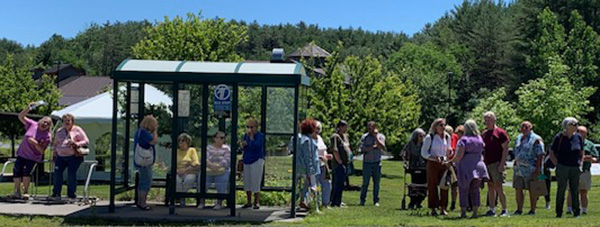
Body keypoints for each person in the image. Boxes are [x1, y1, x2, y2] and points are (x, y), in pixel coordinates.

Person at [445, 119, 489, 218]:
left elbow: (459, 156)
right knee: (475, 190)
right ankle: (475, 212)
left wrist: (450, 161)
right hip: (479, 165)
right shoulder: (479, 138)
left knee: (463, 190)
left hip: (466, 167)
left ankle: (463, 212)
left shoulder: (463, 140)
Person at [10, 103, 53, 199]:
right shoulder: (32, 124)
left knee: (26, 171)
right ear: (40, 121)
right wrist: (28, 108)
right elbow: (20, 116)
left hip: (33, 156)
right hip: (22, 153)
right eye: (44, 121)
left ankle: (25, 191)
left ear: (49, 126)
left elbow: (41, 151)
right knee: (16, 171)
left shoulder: (47, 136)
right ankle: (17, 192)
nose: (45, 124)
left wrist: (34, 143)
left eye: (48, 124)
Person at [550, 117, 584, 218]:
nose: (576, 126)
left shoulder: (578, 137)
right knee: (561, 189)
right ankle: (559, 212)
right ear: (567, 126)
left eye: (576, 124)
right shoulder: (559, 137)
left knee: (575, 190)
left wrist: (580, 162)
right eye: (573, 124)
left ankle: (576, 212)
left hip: (575, 167)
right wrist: (557, 164)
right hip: (562, 166)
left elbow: (581, 151)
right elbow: (552, 151)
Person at [51, 113, 89, 199]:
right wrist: (54, 154)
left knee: (71, 174)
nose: (66, 122)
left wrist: (76, 143)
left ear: (72, 121)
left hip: (74, 156)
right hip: (60, 156)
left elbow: (86, 141)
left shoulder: (77, 129)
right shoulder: (59, 131)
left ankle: (71, 194)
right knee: (57, 173)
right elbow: (55, 143)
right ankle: (56, 193)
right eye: (64, 121)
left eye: (68, 120)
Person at [512, 121, 545, 215]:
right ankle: (519, 209)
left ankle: (532, 209)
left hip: (531, 168)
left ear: (531, 128)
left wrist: (538, 169)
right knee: (518, 188)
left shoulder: (536, 139)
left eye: (526, 127)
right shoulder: (518, 137)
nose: (524, 129)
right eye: (522, 127)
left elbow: (540, 154)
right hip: (519, 168)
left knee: (533, 189)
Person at [421, 118, 452, 216]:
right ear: (435, 126)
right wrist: (433, 158)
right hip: (433, 163)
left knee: (444, 185)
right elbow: (424, 152)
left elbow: (448, 148)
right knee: (432, 185)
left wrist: (449, 152)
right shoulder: (430, 137)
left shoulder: (447, 137)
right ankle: (433, 208)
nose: (443, 127)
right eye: (441, 125)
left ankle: (443, 207)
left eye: (444, 125)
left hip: (444, 163)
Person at [482, 111, 510, 217]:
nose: (487, 121)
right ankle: (492, 209)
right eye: (486, 119)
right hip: (487, 163)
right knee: (490, 186)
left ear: (494, 119)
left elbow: (505, 149)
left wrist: (502, 164)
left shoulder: (500, 133)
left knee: (499, 186)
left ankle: (504, 210)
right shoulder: (484, 134)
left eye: (489, 118)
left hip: (497, 163)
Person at [566, 126, 598, 215]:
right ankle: (569, 209)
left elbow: (596, 158)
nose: (580, 133)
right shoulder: (570, 142)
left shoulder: (590, 144)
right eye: (578, 131)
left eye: (582, 132)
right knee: (571, 191)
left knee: (583, 191)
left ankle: (584, 210)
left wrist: (589, 159)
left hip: (584, 171)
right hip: (572, 170)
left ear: (586, 134)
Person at [199, 131, 231, 210]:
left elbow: (227, 159)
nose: (221, 139)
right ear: (214, 138)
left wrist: (218, 165)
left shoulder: (227, 148)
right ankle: (201, 202)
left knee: (222, 180)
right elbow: (205, 158)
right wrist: (211, 165)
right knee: (202, 178)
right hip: (209, 168)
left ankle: (219, 202)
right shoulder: (209, 147)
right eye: (219, 137)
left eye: (222, 138)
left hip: (222, 169)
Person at [134, 115, 159, 210]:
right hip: (144, 162)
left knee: (142, 182)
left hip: (141, 162)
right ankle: (142, 203)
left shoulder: (139, 132)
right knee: (146, 182)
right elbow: (153, 141)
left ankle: (140, 202)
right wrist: (155, 131)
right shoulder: (144, 133)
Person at [359, 121, 386, 207]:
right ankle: (362, 200)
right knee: (365, 183)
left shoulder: (381, 136)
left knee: (376, 183)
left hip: (377, 163)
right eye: (368, 127)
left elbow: (382, 147)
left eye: (371, 127)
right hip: (367, 163)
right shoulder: (364, 137)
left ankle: (376, 201)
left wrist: (376, 137)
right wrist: (373, 147)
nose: (370, 129)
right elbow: (362, 149)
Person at [241, 118, 265, 209]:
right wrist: (243, 145)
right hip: (247, 160)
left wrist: (251, 139)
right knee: (247, 181)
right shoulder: (245, 136)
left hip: (256, 160)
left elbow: (256, 146)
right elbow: (244, 148)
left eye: (251, 127)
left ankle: (257, 202)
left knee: (256, 180)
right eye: (247, 127)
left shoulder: (260, 136)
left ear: (256, 127)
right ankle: (248, 201)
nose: (249, 129)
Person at [296, 119, 320, 210]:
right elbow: (308, 157)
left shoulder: (297, 138)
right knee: (313, 188)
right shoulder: (307, 140)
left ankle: (301, 202)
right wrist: (310, 172)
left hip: (299, 167)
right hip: (308, 169)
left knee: (302, 187)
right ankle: (309, 204)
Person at [403, 128, 427, 209]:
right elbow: (403, 152)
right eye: (420, 136)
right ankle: (412, 202)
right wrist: (405, 161)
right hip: (413, 167)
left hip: (424, 167)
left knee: (424, 185)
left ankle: (419, 201)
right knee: (415, 185)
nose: (422, 137)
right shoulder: (411, 144)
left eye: (423, 136)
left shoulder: (425, 144)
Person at [174, 133, 199, 206]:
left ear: (187, 142)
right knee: (177, 181)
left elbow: (195, 163)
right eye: (179, 141)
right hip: (178, 171)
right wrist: (177, 170)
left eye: (183, 140)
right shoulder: (176, 151)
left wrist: (186, 169)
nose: (180, 142)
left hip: (189, 171)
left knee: (189, 179)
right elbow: (173, 163)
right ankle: (182, 197)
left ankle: (181, 197)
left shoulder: (192, 150)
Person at [330, 120, 351, 207]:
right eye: (344, 127)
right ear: (340, 127)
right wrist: (339, 161)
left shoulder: (345, 137)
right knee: (337, 183)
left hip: (346, 163)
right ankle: (334, 201)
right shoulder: (335, 136)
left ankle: (339, 200)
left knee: (342, 183)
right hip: (338, 163)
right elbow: (335, 149)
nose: (346, 129)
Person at [315, 121, 332, 208]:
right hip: (315, 165)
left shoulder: (319, 138)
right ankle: (316, 204)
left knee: (327, 183)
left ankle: (326, 203)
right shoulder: (310, 139)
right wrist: (320, 157)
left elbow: (323, 150)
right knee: (315, 185)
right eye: (316, 128)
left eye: (319, 128)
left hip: (323, 164)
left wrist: (326, 155)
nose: (317, 130)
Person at [445, 125, 458, 211]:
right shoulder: (442, 138)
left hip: (453, 163)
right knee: (444, 184)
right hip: (444, 163)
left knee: (454, 185)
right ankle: (443, 203)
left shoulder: (455, 137)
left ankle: (453, 203)